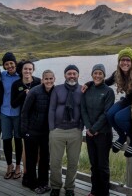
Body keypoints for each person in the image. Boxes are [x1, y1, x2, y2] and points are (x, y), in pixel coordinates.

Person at [49, 65, 83, 196]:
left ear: (78, 75)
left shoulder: (82, 89)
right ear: (65, 75)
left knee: (73, 161)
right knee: (55, 161)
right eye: (69, 73)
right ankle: (56, 186)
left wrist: (81, 127)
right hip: (58, 130)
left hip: (75, 131)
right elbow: (52, 109)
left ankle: (70, 187)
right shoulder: (57, 89)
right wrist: (52, 128)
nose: (72, 76)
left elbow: (84, 109)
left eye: (74, 73)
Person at [80, 64, 115, 196]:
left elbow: (106, 113)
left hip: (103, 134)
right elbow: (83, 109)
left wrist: (94, 129)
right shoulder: (87, 89)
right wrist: (89, 128)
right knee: (93, 165)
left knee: (102, 166)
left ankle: (104, 193)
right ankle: (94, 191)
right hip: (90, 133)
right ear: (92, 74)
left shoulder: (108, 91)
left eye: (100, 73)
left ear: (104, 75)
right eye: (95, 73)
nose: (98, 75)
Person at [21, 69, 55, 194]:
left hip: (46, 132)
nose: (49, 81)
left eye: (51, 78)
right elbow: (25, 112)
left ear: (54, 79)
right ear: (42, 80)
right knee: (31, 158)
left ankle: (43, 183)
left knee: (45, 159)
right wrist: (24, 131)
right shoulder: (34, 92)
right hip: (32, 131)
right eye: (46, 79)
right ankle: (31, 183)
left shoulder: (55, 92)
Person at [11, 60, 41, 185]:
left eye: (30, 69)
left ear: (33, 70)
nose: (27, 71)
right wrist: (24, 94)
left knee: (39, 149)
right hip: (24, 120)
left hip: (39, 120)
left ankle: (37, 174)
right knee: (26, 149)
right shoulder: (16, 84)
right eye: (25, 69)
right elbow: (13, 104)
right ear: (21, 70)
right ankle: (26, 173)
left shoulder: (39, 81)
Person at [0, 52, 22, 179]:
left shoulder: (21, 75)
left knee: (18, 140)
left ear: (15, 63)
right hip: (4, 113)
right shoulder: (2, 76)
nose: (9, 66)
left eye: (11, 63)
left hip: (18, 113)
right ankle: (9, 165)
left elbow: (32, 81)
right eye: (6, 64)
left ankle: (18, 165)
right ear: (4, 65)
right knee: (7, 140)